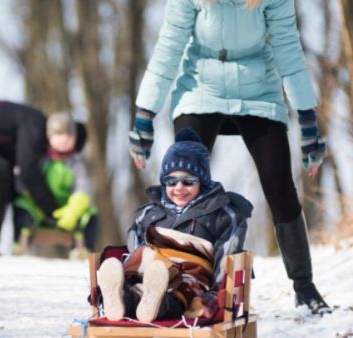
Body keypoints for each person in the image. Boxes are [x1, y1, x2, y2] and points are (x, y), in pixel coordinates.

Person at [128, 0, 330, 314]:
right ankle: (168, 281)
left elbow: (288, 52)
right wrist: (145, 114)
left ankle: (304, 286)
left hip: (258, 92)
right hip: (200, 87)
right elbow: (168, 48)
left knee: (279, 185)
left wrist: (307, 118)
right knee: (182, 183)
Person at [98, 128, 253, 322]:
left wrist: (216, 292)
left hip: (190, 273)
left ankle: (156, 304)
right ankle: (121, 299)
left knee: (183, 292)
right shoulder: (149, 212)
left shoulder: (221, 214)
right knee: (136, 284)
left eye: (188, 181)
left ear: (203, 182)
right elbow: (135, 244)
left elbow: (226, 254)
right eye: (171, 181)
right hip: (149, 270)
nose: (179, 188)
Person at [0, 101, 85, 255]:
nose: (63, 158)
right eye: (66, 152)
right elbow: (28, 172)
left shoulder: (32, 132)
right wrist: (55, 212)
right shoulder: (35, 125)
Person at [13, 112, 98, 255]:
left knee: (90, 214)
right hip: (38, 209)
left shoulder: (76, 163)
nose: (63, 139)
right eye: (58, 134)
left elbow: (83, 186)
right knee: (21, 206)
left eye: (68, 135)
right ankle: (19, 244)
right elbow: (26, 179)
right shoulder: (40, 159)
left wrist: (73, 209)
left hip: (66, 209)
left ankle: (84, 249)